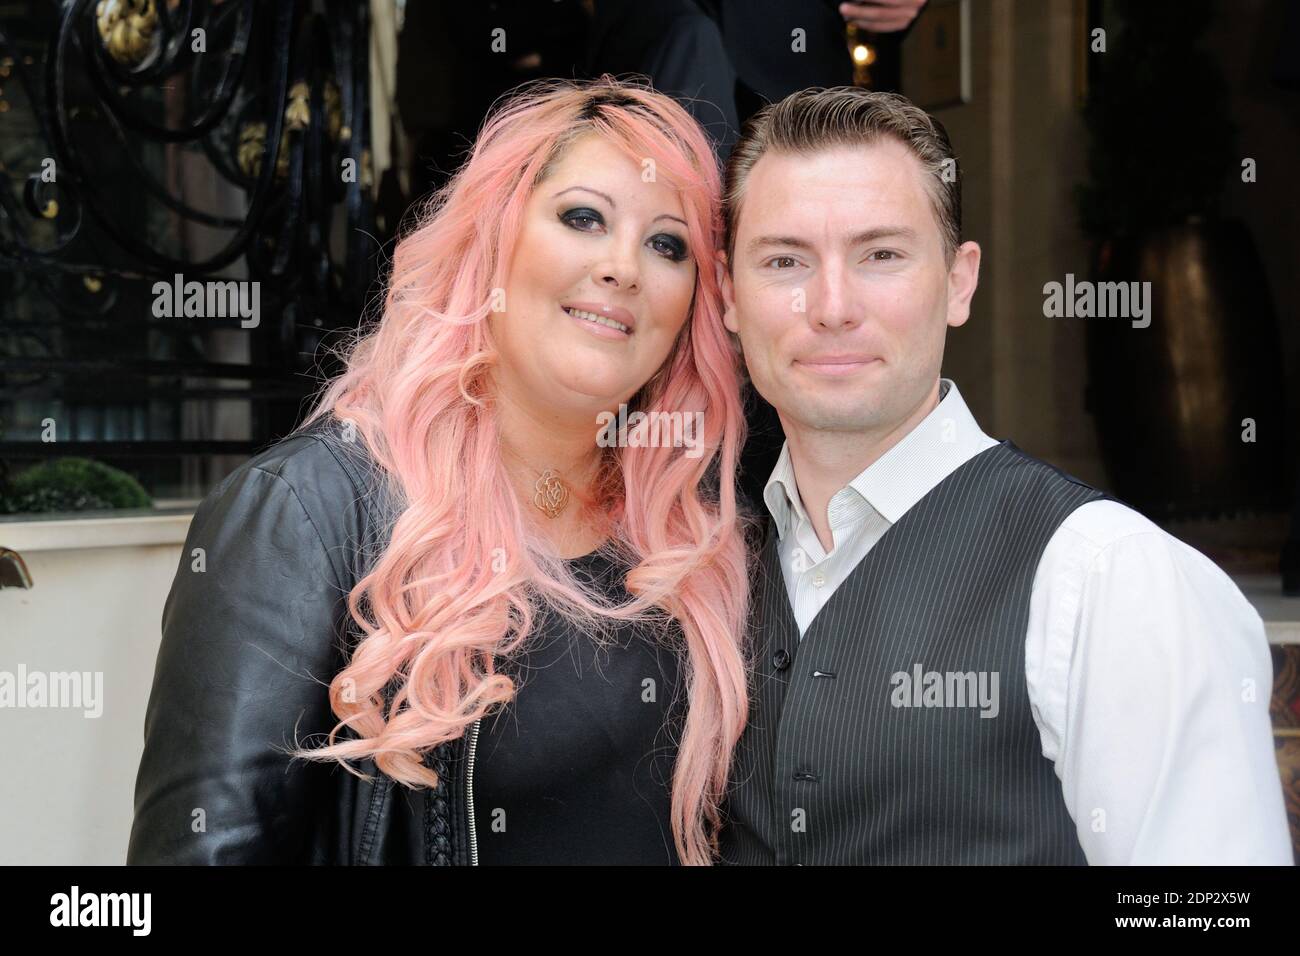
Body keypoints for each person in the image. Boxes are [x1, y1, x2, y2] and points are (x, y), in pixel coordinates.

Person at [127, 77, 756, 866]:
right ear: (493, 239)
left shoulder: (697, 539)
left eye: (668, 245)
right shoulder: (308, 512)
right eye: (583, 218)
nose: (623, 267)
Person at [715, 86, 1293, 864]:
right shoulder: (711, 568)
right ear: (727, 295)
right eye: (785, 260)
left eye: (881, 254)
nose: (832, 305)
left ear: (959, 282)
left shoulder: (1107, 576)